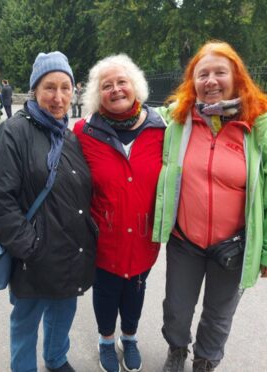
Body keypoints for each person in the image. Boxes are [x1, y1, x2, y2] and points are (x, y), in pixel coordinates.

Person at [153, 41, 267, 372]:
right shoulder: (177, 123)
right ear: (193, 82)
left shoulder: (260, 131)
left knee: (219, 313)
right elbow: (133, 114)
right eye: (202, 74)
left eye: (220, 72)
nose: (211, 81)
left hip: (233, 246)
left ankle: (205, 360)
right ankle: (177, 350)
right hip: (184, 241)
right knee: (177, 307)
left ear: (237, 78)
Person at [0, 51, 97, 372]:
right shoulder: (13, 133)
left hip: (71, 251)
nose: (58, 98)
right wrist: (30, 246)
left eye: (65, 87)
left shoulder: (70, 137)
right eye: (49, 87)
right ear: (34, 90)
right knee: (26, 321)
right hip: (33, 255)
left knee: (63, 312)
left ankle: (56, 359)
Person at [74, 54, 166, 372]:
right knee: (106, 291)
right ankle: (105, 340)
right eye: (107, 85)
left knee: (135, 289)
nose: (115, 89)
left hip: (144, 235)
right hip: (103, 236)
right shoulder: (83, 133)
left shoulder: (160, 130)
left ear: (135, 86)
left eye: (121, 82)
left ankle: (130, 338)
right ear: (97, 95)